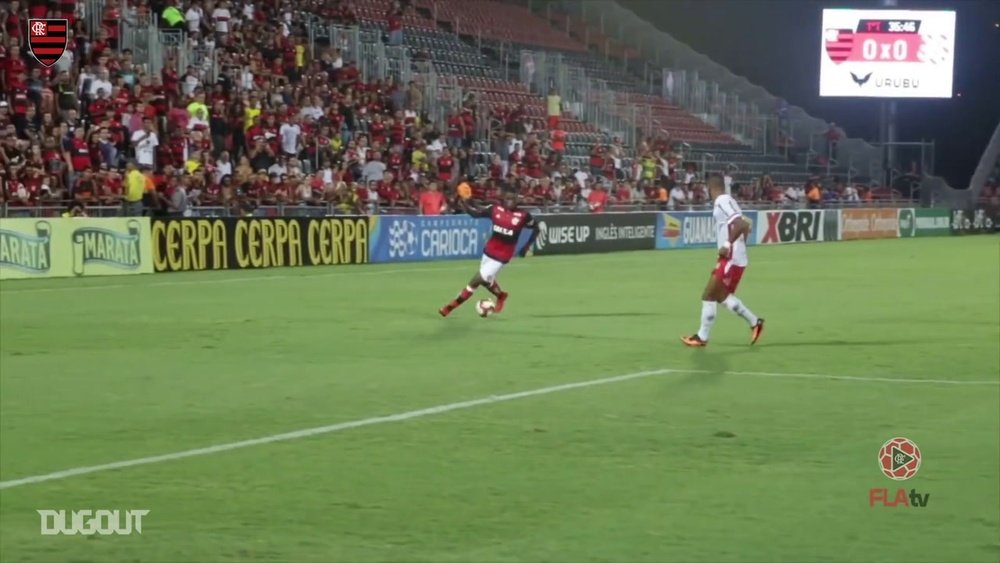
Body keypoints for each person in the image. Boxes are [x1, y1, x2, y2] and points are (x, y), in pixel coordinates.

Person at [681, 174, 765, 347]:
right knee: (719, 296)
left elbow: (741, 224)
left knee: (709, 294)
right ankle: (754, 322)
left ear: (710, 189)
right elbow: (746, 226)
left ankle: (702, 337)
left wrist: (727, 244)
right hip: (734, 258)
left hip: (730, 259)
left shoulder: (722, 201)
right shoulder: (730, 201)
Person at [439, 188, 539, 317]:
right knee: (486, 281)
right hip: (489, 251)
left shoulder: (523, 216)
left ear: (517, 200)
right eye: (507, 198)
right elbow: (476, 213)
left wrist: (526, 246)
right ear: (503, 198)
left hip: (502, 256)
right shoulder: (495, 209)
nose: (509, 201)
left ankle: (450, 307)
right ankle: (501, 295)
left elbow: (536, 228)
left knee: (477, 280)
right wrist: (465, 203)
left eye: (512, 198)